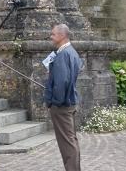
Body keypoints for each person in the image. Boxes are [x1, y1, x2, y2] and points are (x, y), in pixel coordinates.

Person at [45, 24, 82, 171]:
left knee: (67, 143)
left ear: (62, 36)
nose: (51, 36)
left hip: (62, 106)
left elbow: (62, 82)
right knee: (71, 141)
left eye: (53, 34)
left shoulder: (63, 54)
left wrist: (55, 102)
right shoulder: (71, 51)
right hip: (69, 102)